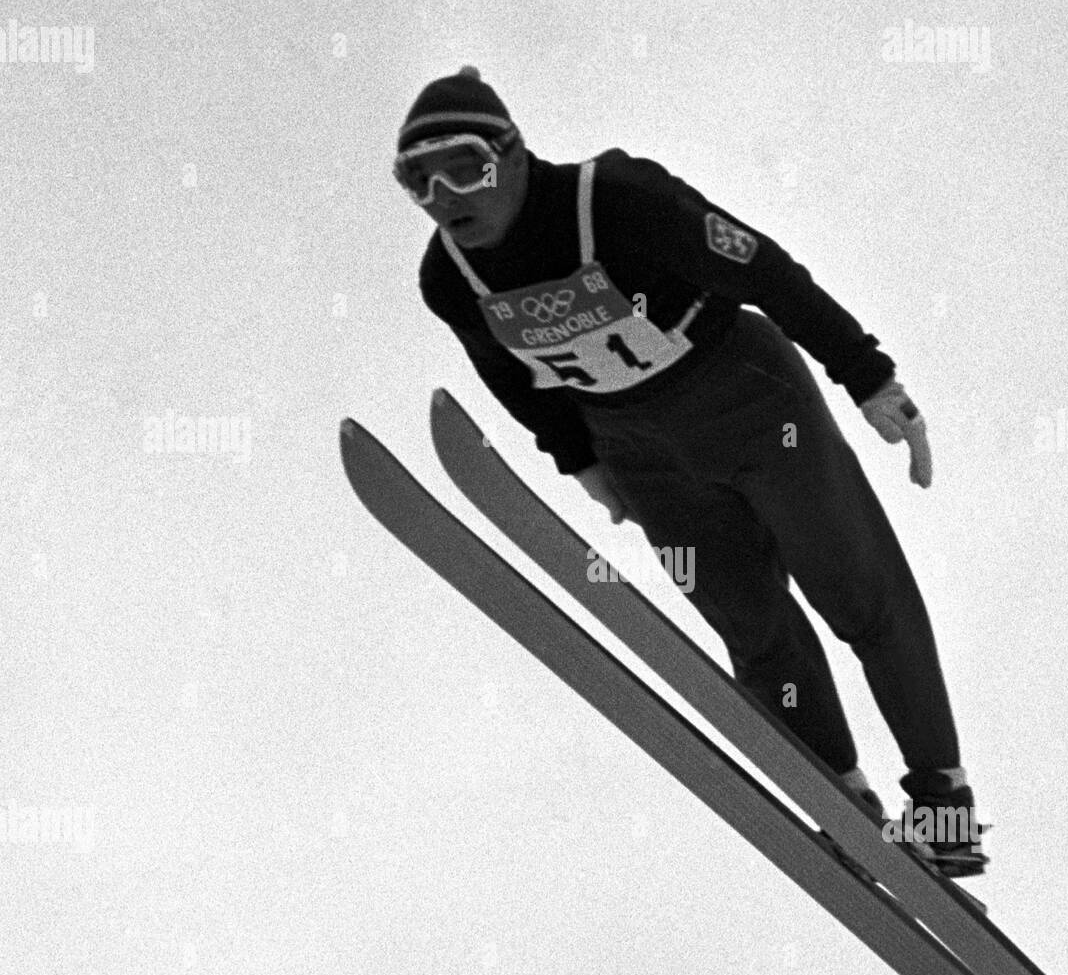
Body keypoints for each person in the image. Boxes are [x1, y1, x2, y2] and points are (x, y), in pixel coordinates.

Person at [394, 66, 986, 876]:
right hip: (640, 448)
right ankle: (837, 799)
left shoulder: (616, 199)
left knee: (857, 591)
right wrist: (582, 461)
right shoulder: (447, 280)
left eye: (463, 165)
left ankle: (944, 809)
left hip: (747, 398)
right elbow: (507, 375)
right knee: (752, 625)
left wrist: (868, 377)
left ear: (515, 153)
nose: (442, 195)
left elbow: (763, 270)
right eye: (415, 180)